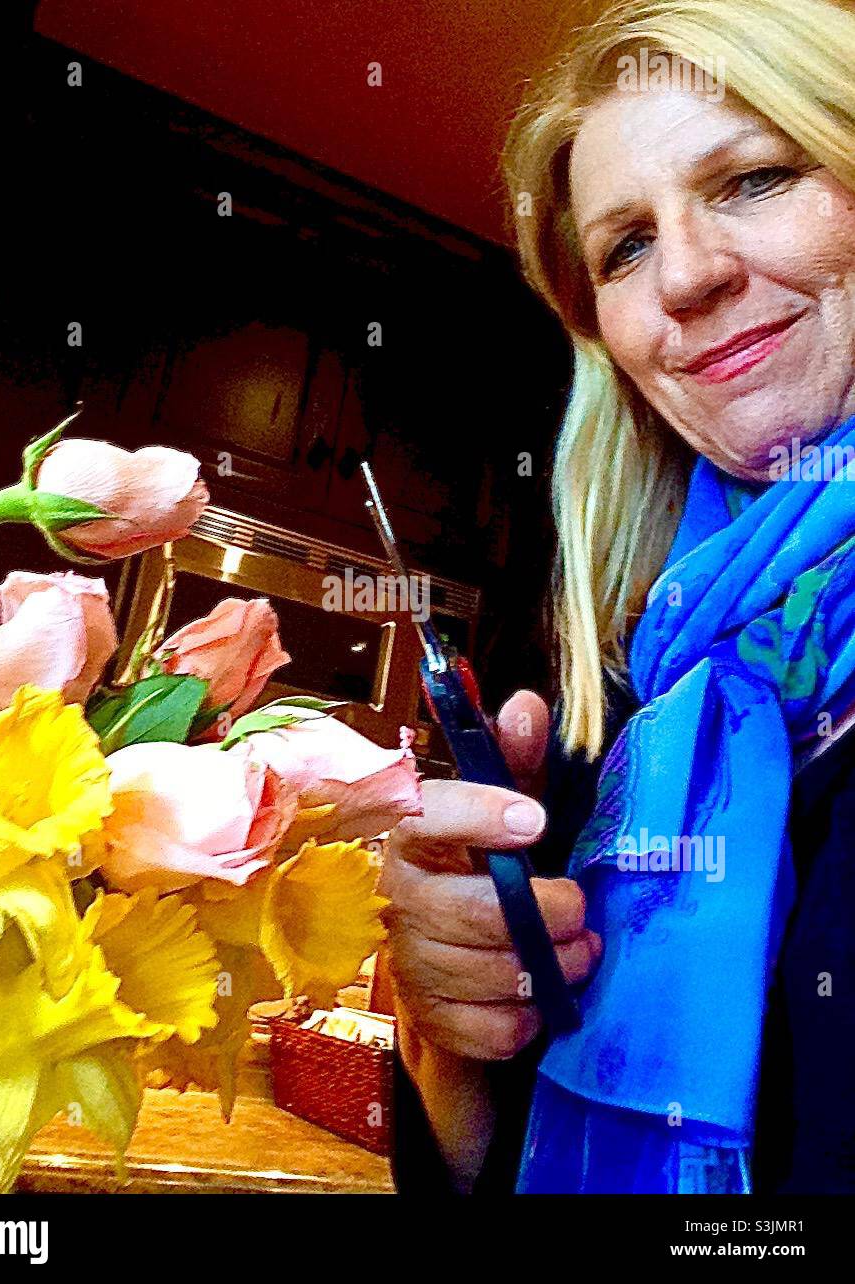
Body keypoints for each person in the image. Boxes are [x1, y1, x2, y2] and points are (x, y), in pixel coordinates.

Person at [381, 0, 855, 1194]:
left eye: (753, 177)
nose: (688, 274)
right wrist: (459, 1043)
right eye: (625, 247)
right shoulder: (632, 718)